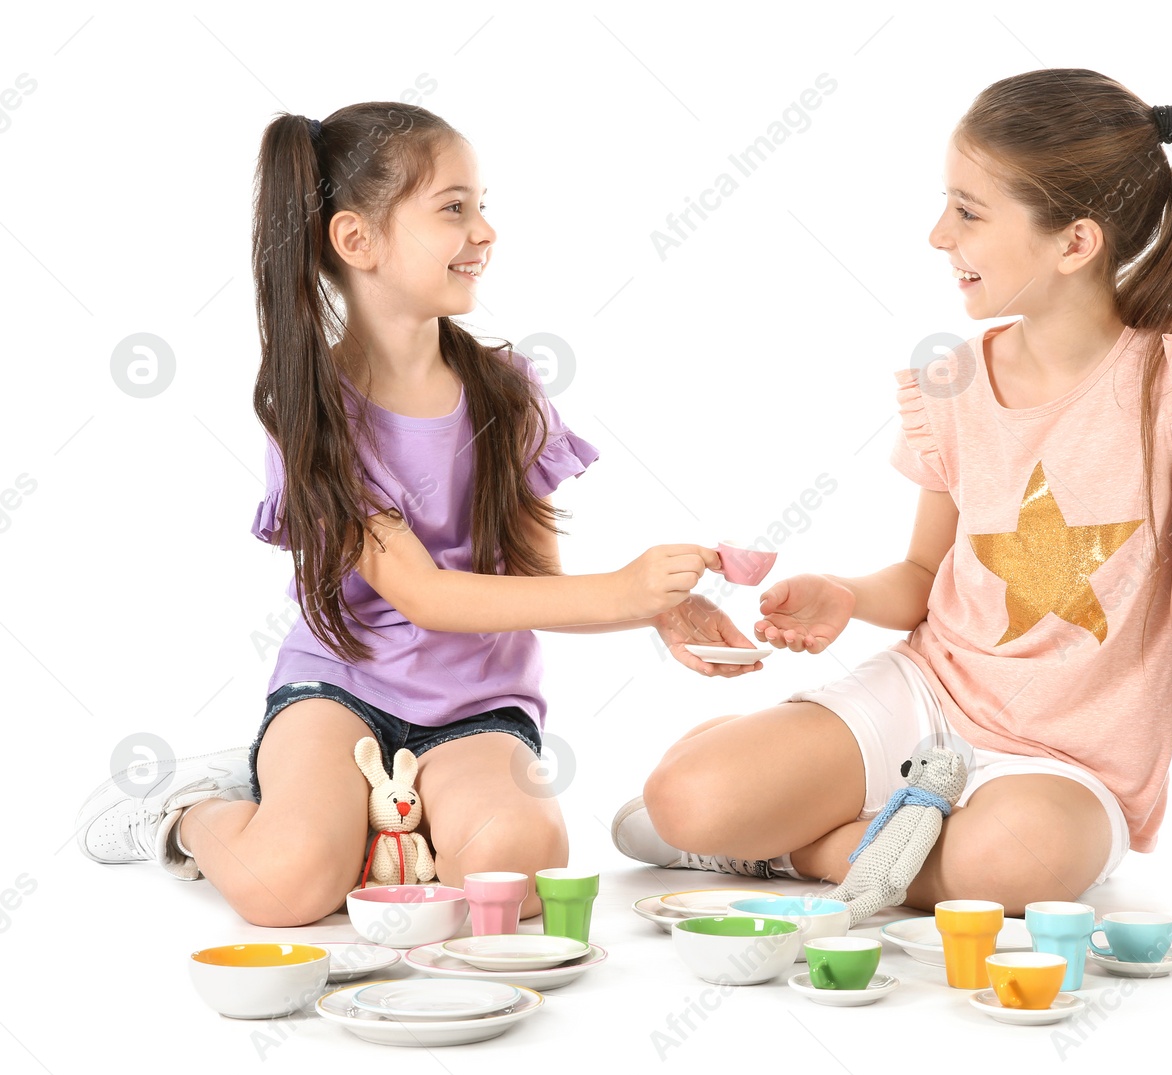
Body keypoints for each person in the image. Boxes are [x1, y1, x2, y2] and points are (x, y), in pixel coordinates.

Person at [614, 70, 1172, 919]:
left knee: (1015, 864)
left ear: (1074, 243)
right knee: (686, 801)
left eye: (967, 211)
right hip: (931, 698)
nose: (936, 235)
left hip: (1068, 763)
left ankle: (794, 846)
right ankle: (853, 832)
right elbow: (925, 572)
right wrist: (847, 596)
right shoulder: (953, 384)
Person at [75, 103, 760, 927]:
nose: (486, 231)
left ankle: (383, 820)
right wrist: (626, 590)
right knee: (287, 887)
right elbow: (425, 594)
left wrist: (656, 610)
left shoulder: (507, 392)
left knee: (516, 870)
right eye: (453, 208)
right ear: (357, 241)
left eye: (482, 205)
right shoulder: (316, 412)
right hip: (339, 692)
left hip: (479, 706)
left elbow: (534, 583)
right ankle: (190, 812)